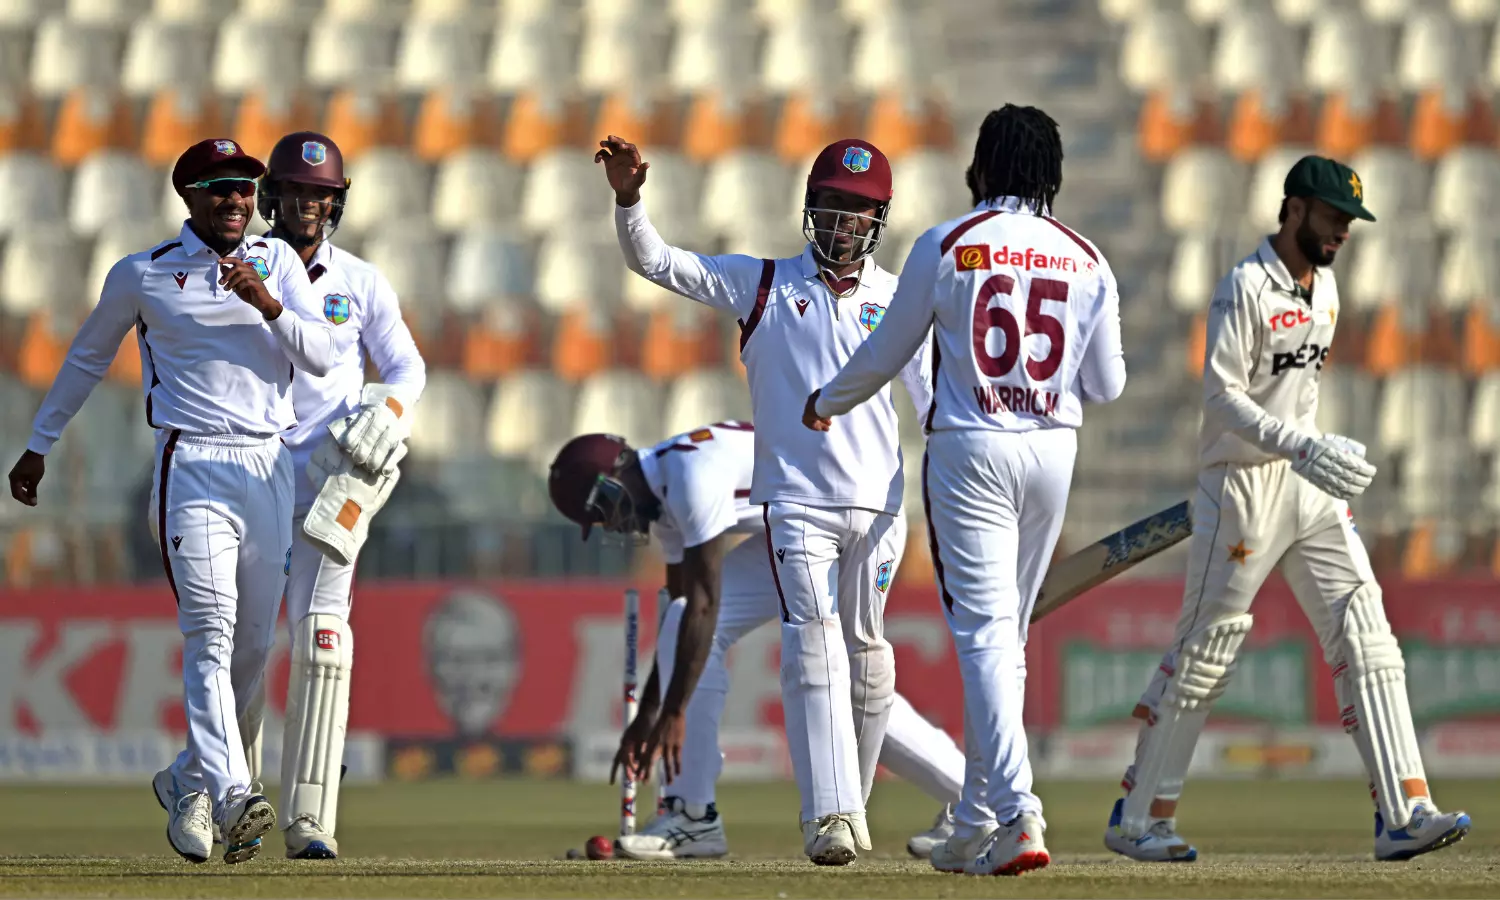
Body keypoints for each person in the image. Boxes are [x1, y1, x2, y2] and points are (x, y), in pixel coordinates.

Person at [1102, 155, 1470, 864]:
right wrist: (1297, 444)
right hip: (1240, 490)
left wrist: (1314, 454)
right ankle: (1138, 817)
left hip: (1308, 486)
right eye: (1331, 217)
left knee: (1367, 635)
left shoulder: (1326, 289)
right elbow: (1220, 397)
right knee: (1208, 653)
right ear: (1295, 208)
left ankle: (1403, 811)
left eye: (1348, 222)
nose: (1341, 232)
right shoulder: (1243, 287)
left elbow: (1295, 396)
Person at [804, 104, 1127, 876]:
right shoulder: (1087, 256)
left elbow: (888, 350)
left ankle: (1019, 813)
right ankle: (976, 813)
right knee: (1004, 638)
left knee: (984, 634)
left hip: (970, 448)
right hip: (1053, 448)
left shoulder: (946, 243)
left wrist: (827, 401)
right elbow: (1109, 384)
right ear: (1052, 174)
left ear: (981, 165)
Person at [598, 134, 930, 865]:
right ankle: (829, 818)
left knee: (868, 657)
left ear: (880, 220)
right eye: (833, 207)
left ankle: (854, 803)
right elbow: (658, 262)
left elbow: (932, 406)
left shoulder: (901, 296)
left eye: (859, 211)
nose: (844, 223)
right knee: (809, 645)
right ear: (810, 208)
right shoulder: (763, 283)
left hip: (880, 508)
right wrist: (629, 201)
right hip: (798, 506)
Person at [7, 138, 337, 864]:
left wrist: (270, 305)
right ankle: (232, 792)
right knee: (211, 634)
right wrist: (39, 443)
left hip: (267, 464)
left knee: (253, 646)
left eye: (246, 189)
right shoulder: (145, 274)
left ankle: (187, 780)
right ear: (189, 196)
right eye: (220, 189)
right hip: (191, 464)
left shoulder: (277, 261)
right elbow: (89, 354)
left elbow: (325, 355)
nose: (236, 202)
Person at [548, 425, 966, 861]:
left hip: (855, 511)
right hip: (808, 518)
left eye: (606, 508)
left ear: (616, 474)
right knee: (827, 678)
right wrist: (650, 713)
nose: (612, 523)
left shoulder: (690, 477)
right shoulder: (663, 495)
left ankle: (693, 815)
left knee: (846, 677)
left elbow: (703, 609)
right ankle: (692, 814)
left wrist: (672, 712)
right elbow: (682, 620)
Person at [235, 131, 426, 860]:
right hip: (250, 465)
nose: (309, 205)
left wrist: (387, 414)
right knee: (244, 639)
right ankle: (233, 794)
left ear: (336, 203)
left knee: (322, 636)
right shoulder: (241, 269)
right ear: (272, 199)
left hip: (330, 473)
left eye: (322, 194)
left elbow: (406, 369)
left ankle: (310, 818)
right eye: (296, 192)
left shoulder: (363, 282)